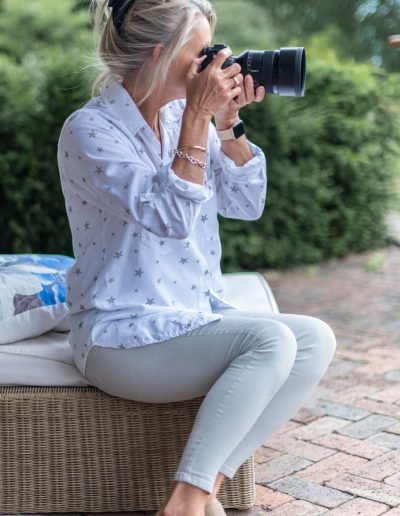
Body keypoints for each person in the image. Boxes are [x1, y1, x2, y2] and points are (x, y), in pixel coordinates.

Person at [57, 1, 337, 515]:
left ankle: (197, 493)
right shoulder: (90, 131)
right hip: (121, 336)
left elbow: (244, 204)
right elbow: (170, 217)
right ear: (161, 55)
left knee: (314, 338)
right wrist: (199, 116)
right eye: (202, 51)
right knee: (270, 339)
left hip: (190, 316)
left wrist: (228, 125)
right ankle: (190, 503)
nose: (216, 62)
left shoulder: (184, 117)